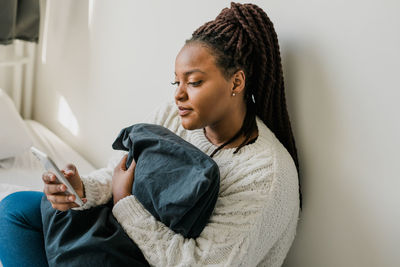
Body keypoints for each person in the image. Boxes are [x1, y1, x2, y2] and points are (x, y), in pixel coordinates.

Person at [0, 2, 301, 266]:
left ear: (236, 83)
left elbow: (197, 263)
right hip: (132, 240)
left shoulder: (264, 174)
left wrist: (124, 203)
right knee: (14, 211)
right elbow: (119, 172)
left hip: (164, 255)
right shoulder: (174, 116)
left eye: (194, 82)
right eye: (176, 83)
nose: (179, 96)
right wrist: (81, 190)